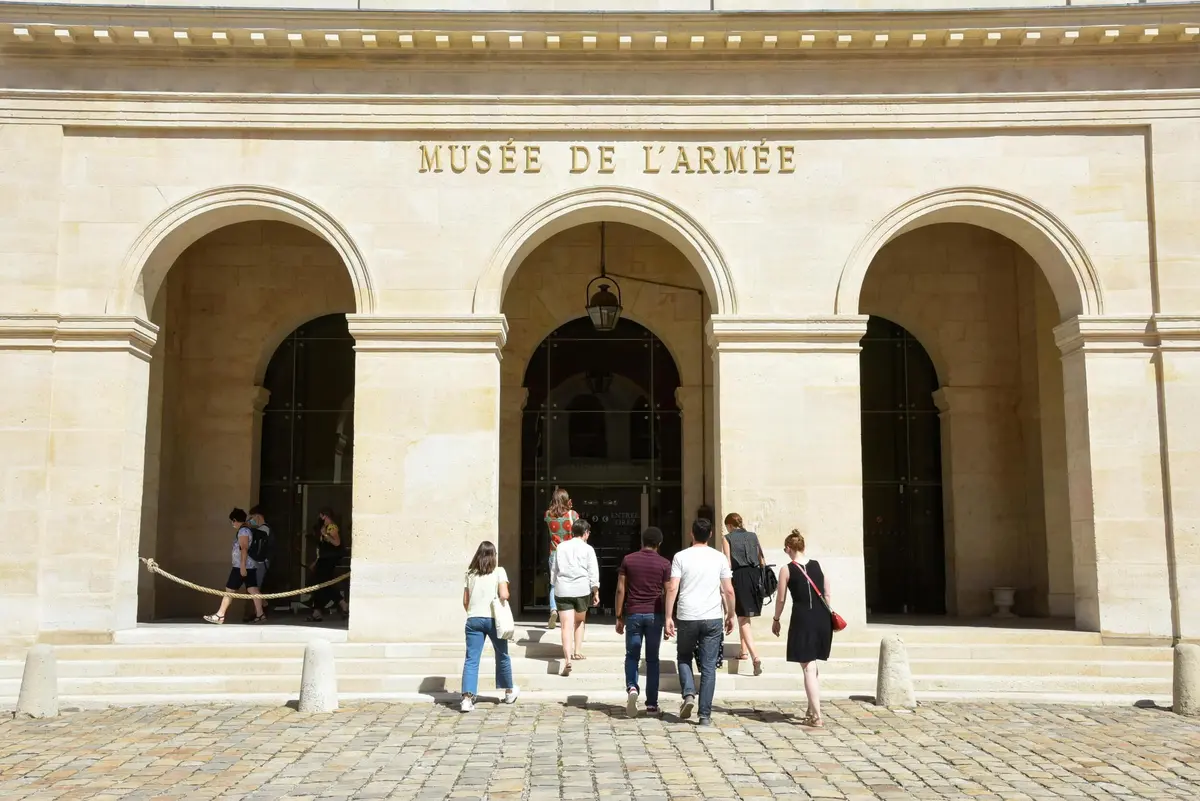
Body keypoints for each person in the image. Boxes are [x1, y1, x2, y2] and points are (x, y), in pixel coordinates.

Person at [665, 518, 734, 725]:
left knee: (684, 656)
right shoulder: (719, 557)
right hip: (712, 616)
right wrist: (731, 614)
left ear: (691, 534)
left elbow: (672, 587)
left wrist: (669, 616)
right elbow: (728, 589)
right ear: (711, 534)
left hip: (687, 615)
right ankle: (704, 715)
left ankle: (688, 693)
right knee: (709, 666)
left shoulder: (681, 557)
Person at [771, 530, 833, 728]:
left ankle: (816, 715)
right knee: (812, 667)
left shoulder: (786, 569)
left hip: (803, 617)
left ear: (789, 548)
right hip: (822, 617)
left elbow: (781, 598)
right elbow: (827, 593)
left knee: (808, 667)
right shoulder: (817, 565)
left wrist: (776, 618)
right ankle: (810, 709)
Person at [615, 526, 672, 718]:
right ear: (659, 544)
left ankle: (632, 687)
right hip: (654, 615)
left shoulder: (628, 560)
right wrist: (668, 618)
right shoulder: (664, 563)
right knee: (652, 659)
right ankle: (652, 705)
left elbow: (621, 589)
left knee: (632, 655)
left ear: (642, 541)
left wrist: (618, 615)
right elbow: (668, 592)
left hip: (633, 613)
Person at [460, 540, 520, 713]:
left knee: (472, 659)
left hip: (473, 619)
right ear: (493, 555)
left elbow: (465, 600)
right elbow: (504, 594)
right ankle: (509, 691)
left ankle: (466, 698)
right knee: (502, 655)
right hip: (494, 619)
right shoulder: (499, 571)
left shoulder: (470, 573)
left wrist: (473, 611)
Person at [551, 518, 599, 676]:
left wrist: (553, 583)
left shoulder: (561, 547)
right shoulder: (588, 549)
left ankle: (567, 660)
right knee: (579, 621)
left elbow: (554, 568)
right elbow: (593, 571)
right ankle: (577, 651)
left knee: (566, 626)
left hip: (563, 589)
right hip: (581, 589)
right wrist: (595, 590)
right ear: (585, 533)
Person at [203, 508, 265, 624]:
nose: (232, 524)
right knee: (253, 590)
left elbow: (244, 548)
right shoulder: (247, 529)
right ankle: (260, 614)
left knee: (229, 591)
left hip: (240, 567)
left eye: (232, 521)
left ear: (235, 520)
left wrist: (242, 566)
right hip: (249, 566)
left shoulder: (243, 531)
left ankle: (220, 615)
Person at [722, 512, 765, 676]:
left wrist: (725, 582)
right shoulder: (753, 535)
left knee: (743, 618)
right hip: (755, 576)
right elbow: (761, 559)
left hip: (739, 576)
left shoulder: (728, 537)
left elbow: (727, 560)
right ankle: (743, 650)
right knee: (744, 616)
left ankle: (755, 657)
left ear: (730, 525)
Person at [544, 487, 579, 630]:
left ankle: (553, 609)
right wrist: (570, 508)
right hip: (570, 554)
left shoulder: (548, 515)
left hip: (554, 553)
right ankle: (570, 613)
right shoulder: (573, 514)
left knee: (553, 584)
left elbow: (549, 518)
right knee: (571, 582)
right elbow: (577, 529)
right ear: (567, 500)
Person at [307, 507, 348, 622]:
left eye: (321, 516)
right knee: (322, 585)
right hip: (323, 560)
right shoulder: (323, 528)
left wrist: (325, 535)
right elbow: (322, 550)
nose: (319, 518)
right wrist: (316, 562)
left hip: (329, 561)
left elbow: (337, 543)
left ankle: (339, 605)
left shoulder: (332, 527)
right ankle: (318, 611)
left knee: (324, 585)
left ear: (325, 516)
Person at [242, 505, 272, 623]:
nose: (252, 519)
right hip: (255, 563)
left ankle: (259, 613)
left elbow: (259, 535)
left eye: (253, 517)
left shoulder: (265, 529)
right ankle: (261, 608)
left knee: (254, 588)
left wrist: (248, 527)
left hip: (260, 563)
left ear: (258, 516)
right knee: (254, 588)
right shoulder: (259, 529)